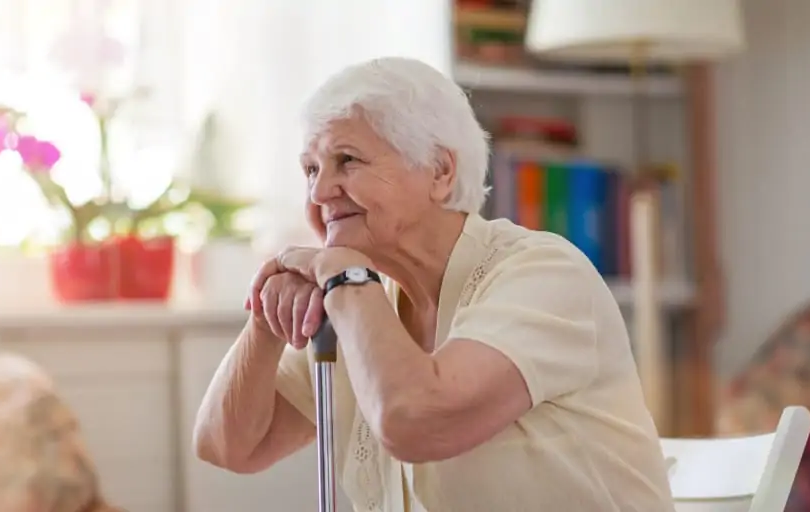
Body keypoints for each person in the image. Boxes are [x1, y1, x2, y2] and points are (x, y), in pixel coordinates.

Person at [193, 56, 674, 512]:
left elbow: (415, 420)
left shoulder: (544, 273)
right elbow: (228, 446)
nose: (319, 192)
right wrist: (267, 316)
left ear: (440, 172)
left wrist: (344, 275)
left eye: (348, 160)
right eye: (311, 169)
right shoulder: (355, 297)